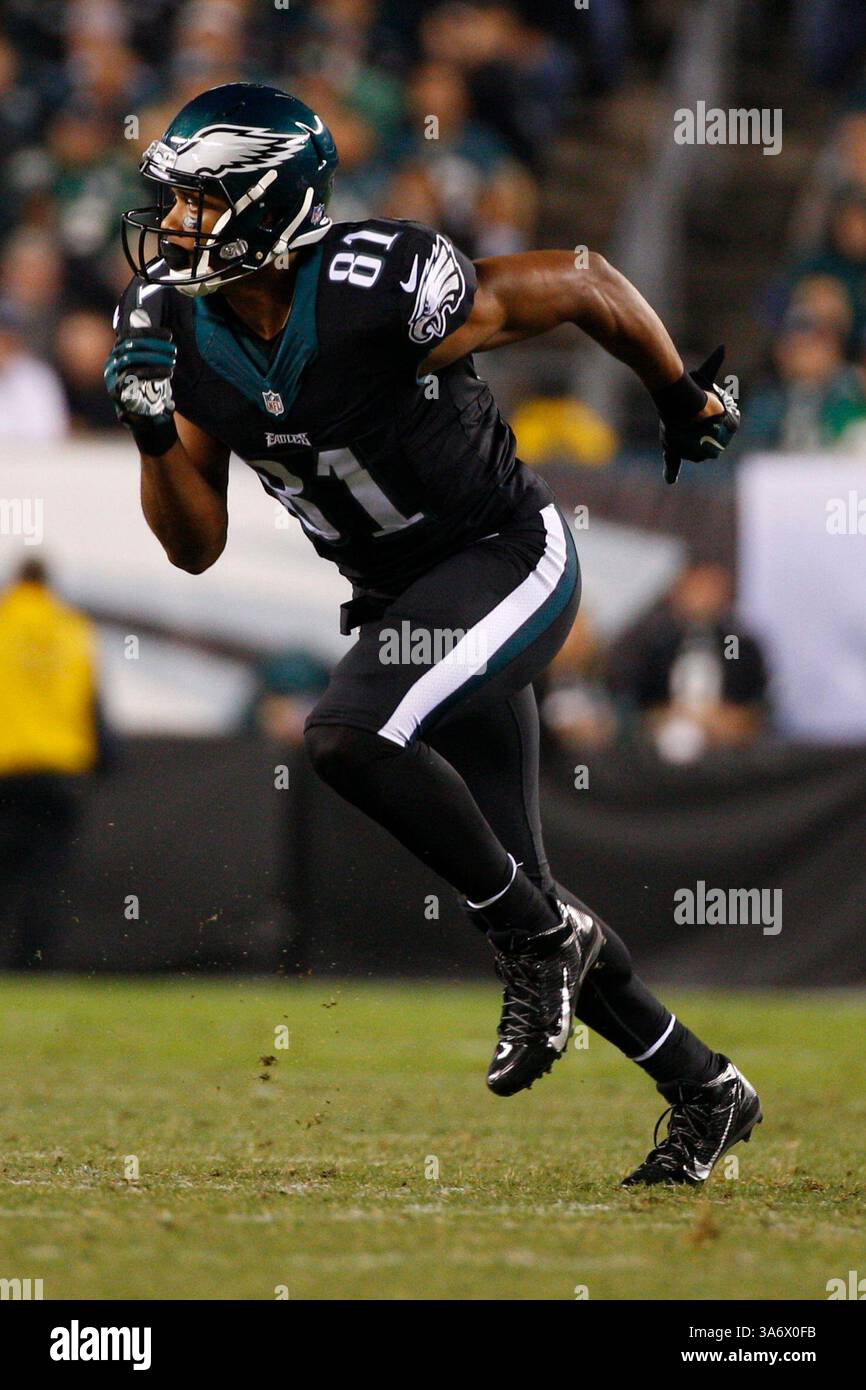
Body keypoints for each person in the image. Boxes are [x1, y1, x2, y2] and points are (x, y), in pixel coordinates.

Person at [105, 82, 756, 1187]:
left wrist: (675, 396)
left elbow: (583, 282)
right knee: (520, 891)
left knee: (350, 737)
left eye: (200, 203)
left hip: (504, 556)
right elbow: (193, 544)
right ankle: (703, 1087)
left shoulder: (373, 284)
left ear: (270, 206)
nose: (172, 227)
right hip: (398, 600)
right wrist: (152, 431)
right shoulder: (172, 324)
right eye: (170, 203)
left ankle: (540, 941)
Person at [0, 558, 103, 968]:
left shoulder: (4, 623)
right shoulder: (73, 629)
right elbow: (92, 704)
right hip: (59, 771)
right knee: (47, 876)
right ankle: (36, 964)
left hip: (5, 767)